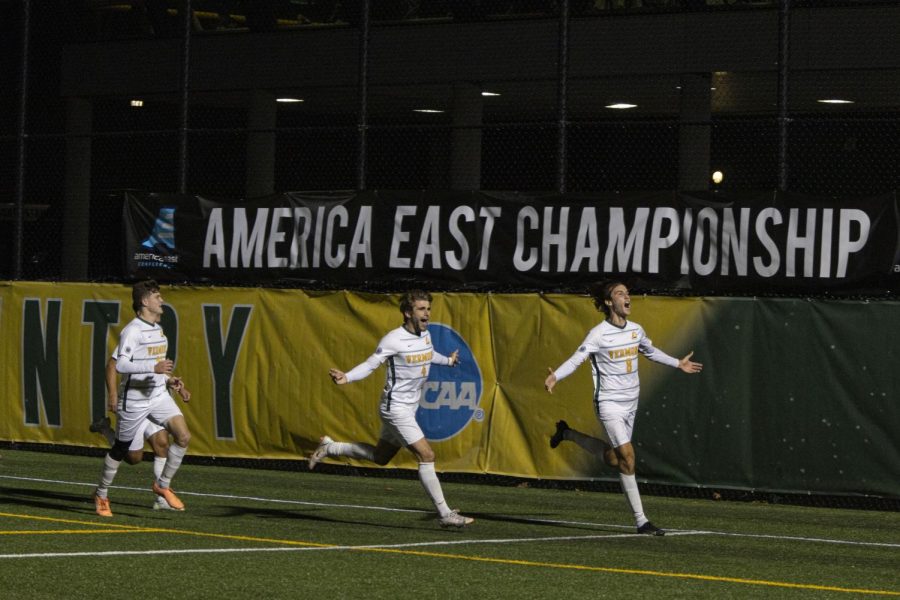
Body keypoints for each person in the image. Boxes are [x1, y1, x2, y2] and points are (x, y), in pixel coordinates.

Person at [544, 280, 703, 536]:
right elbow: (577, 359)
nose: (627, 297)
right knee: (629, 458)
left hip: (631, 403)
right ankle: (642, 521)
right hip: (609, 404)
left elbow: (650, 351)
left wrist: (677, 363)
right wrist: (556, 376)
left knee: (617, 460)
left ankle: (567, 433)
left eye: (627, 293)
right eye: (620, 293)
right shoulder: (598, 334)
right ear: (609, 302)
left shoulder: (636, 330)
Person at [309, 290, 474, 529]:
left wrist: (447, 361)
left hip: (408, 408)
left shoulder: (425, 334)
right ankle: (445, 514)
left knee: (381, 457)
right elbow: (371, 364)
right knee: (427, 456)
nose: (427, 313)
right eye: (421, 309)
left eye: (428, 308)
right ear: (408, 312)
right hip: (395, 409)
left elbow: (427, 355)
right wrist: (348, 377)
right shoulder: (393, 339)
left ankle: (330, 446)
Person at [92, 280, 192, 517]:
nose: (162, 300)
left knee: (183, 436)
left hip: (158, 396)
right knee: (125, 452)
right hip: (135, 400)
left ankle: (163, 486)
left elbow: (158, 366)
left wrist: (171, 381)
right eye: (157, 296)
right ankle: (101, 493)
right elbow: (120, 365)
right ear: (145, 302)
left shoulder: (157, 329)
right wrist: (153, 368)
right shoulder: (133, 330)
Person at [89, 353, 174, 510]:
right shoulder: (131, 335)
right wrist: (113, 395)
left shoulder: (158, 337)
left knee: (162, 444)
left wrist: (171, 381)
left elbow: (159, 370)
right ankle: (106, 430)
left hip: (154, 401)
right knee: (133, 458)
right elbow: (111, 366)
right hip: (134, 403)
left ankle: (161, 498)